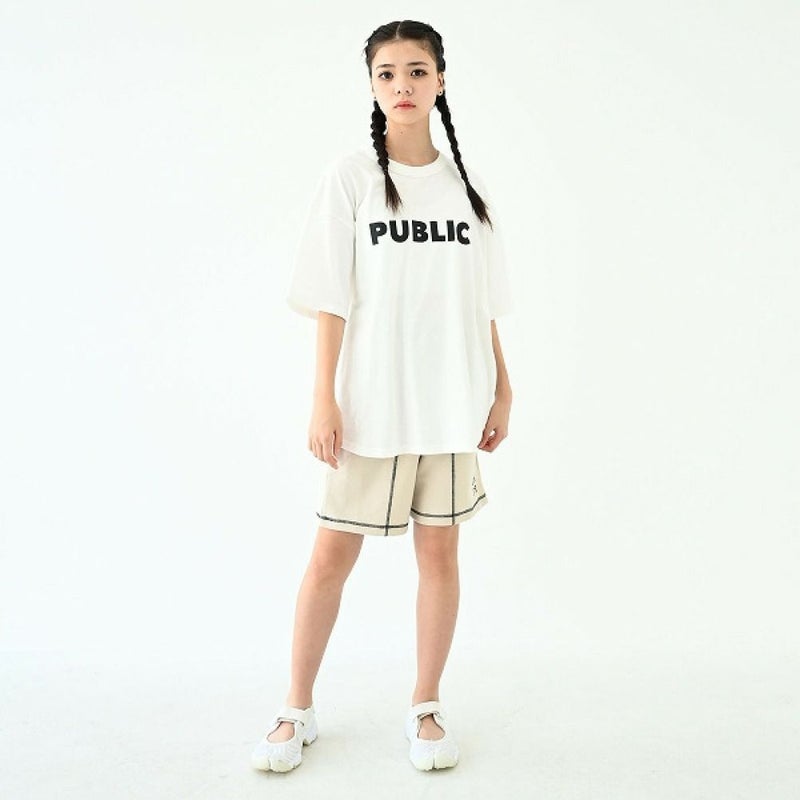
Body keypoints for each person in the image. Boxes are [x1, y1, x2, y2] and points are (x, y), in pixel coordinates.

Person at [251, 19, 514, 773]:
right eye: (388, 73)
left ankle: (426, 705)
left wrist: (503, 387)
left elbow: (483, 305)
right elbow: (329, 298)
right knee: (330, 557)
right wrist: (323, 399)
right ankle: (295, 709)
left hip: (452, 407)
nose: (403, 85)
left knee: (441, 554)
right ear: (372, 86)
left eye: (417, 71)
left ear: (440, 81)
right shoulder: (351, 179)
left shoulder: (469, 189)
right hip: (371, 407)